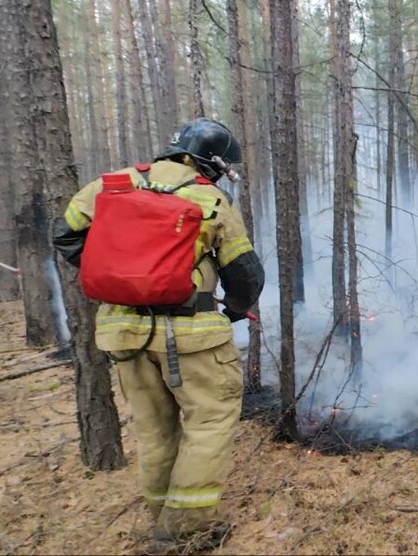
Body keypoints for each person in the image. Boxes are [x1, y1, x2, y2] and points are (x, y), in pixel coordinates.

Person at [52, 118, 264, 552]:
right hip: (193, 334)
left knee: (154, 432)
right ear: (211, 162)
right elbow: (245, 273)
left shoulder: (110, 185)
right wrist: (238, 309)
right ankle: (184, 533)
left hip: (123, 333)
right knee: (209, 423)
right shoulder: (210, 198)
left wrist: (123, 280)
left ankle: (161, 518)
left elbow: (66, 234)